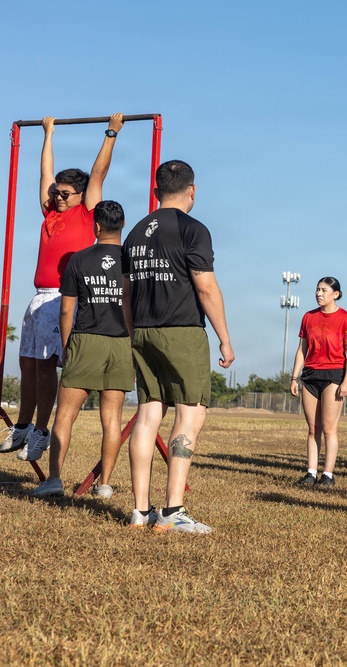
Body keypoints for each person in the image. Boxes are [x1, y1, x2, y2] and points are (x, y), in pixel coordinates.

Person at [122, 160, 235, 533]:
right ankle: (172, 511)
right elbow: (205, 287)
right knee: (191, 413)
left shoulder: (136, 232)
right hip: (182, 329)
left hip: (142, 330)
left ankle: (140, 511)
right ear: (192, 190)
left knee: (148, 414)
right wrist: (224, 337)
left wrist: (132, 331)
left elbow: (126, 293)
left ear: (156, 192)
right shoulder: (193, 229)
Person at [3, 114, 125, 456]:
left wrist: (111, 133)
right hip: (38, 298)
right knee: (27, 362)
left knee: (46, 367)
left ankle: (42, 431)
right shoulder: (51, 213)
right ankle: (23, 427)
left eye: (65, 193)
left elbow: (98, 172)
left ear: (80, 195)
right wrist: (48, 134)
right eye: (56, 192)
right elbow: (45, 173)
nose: (58, 196)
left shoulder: (86, 212)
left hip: (62, 296)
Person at [29, 201, 133, 497]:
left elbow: (66, 311)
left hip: (86, 340)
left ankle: (54, 479)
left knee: (65, 415)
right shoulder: (130, 261)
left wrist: (65, 347)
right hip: (121, 342)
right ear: (122, 225)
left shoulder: (79, 259)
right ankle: (105, 484)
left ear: (96, 226)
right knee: (111, 419)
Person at [289, 277, 347, 487]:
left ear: (335, 294)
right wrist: (294, 377)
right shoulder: (308, 317)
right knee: (312, 428)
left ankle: (328, 474)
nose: (319, 293)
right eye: (317, 290)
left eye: (324, 290)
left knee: (329, 428)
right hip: (310, 376)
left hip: (334, 376)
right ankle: (311, 473)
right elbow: (302, 349)